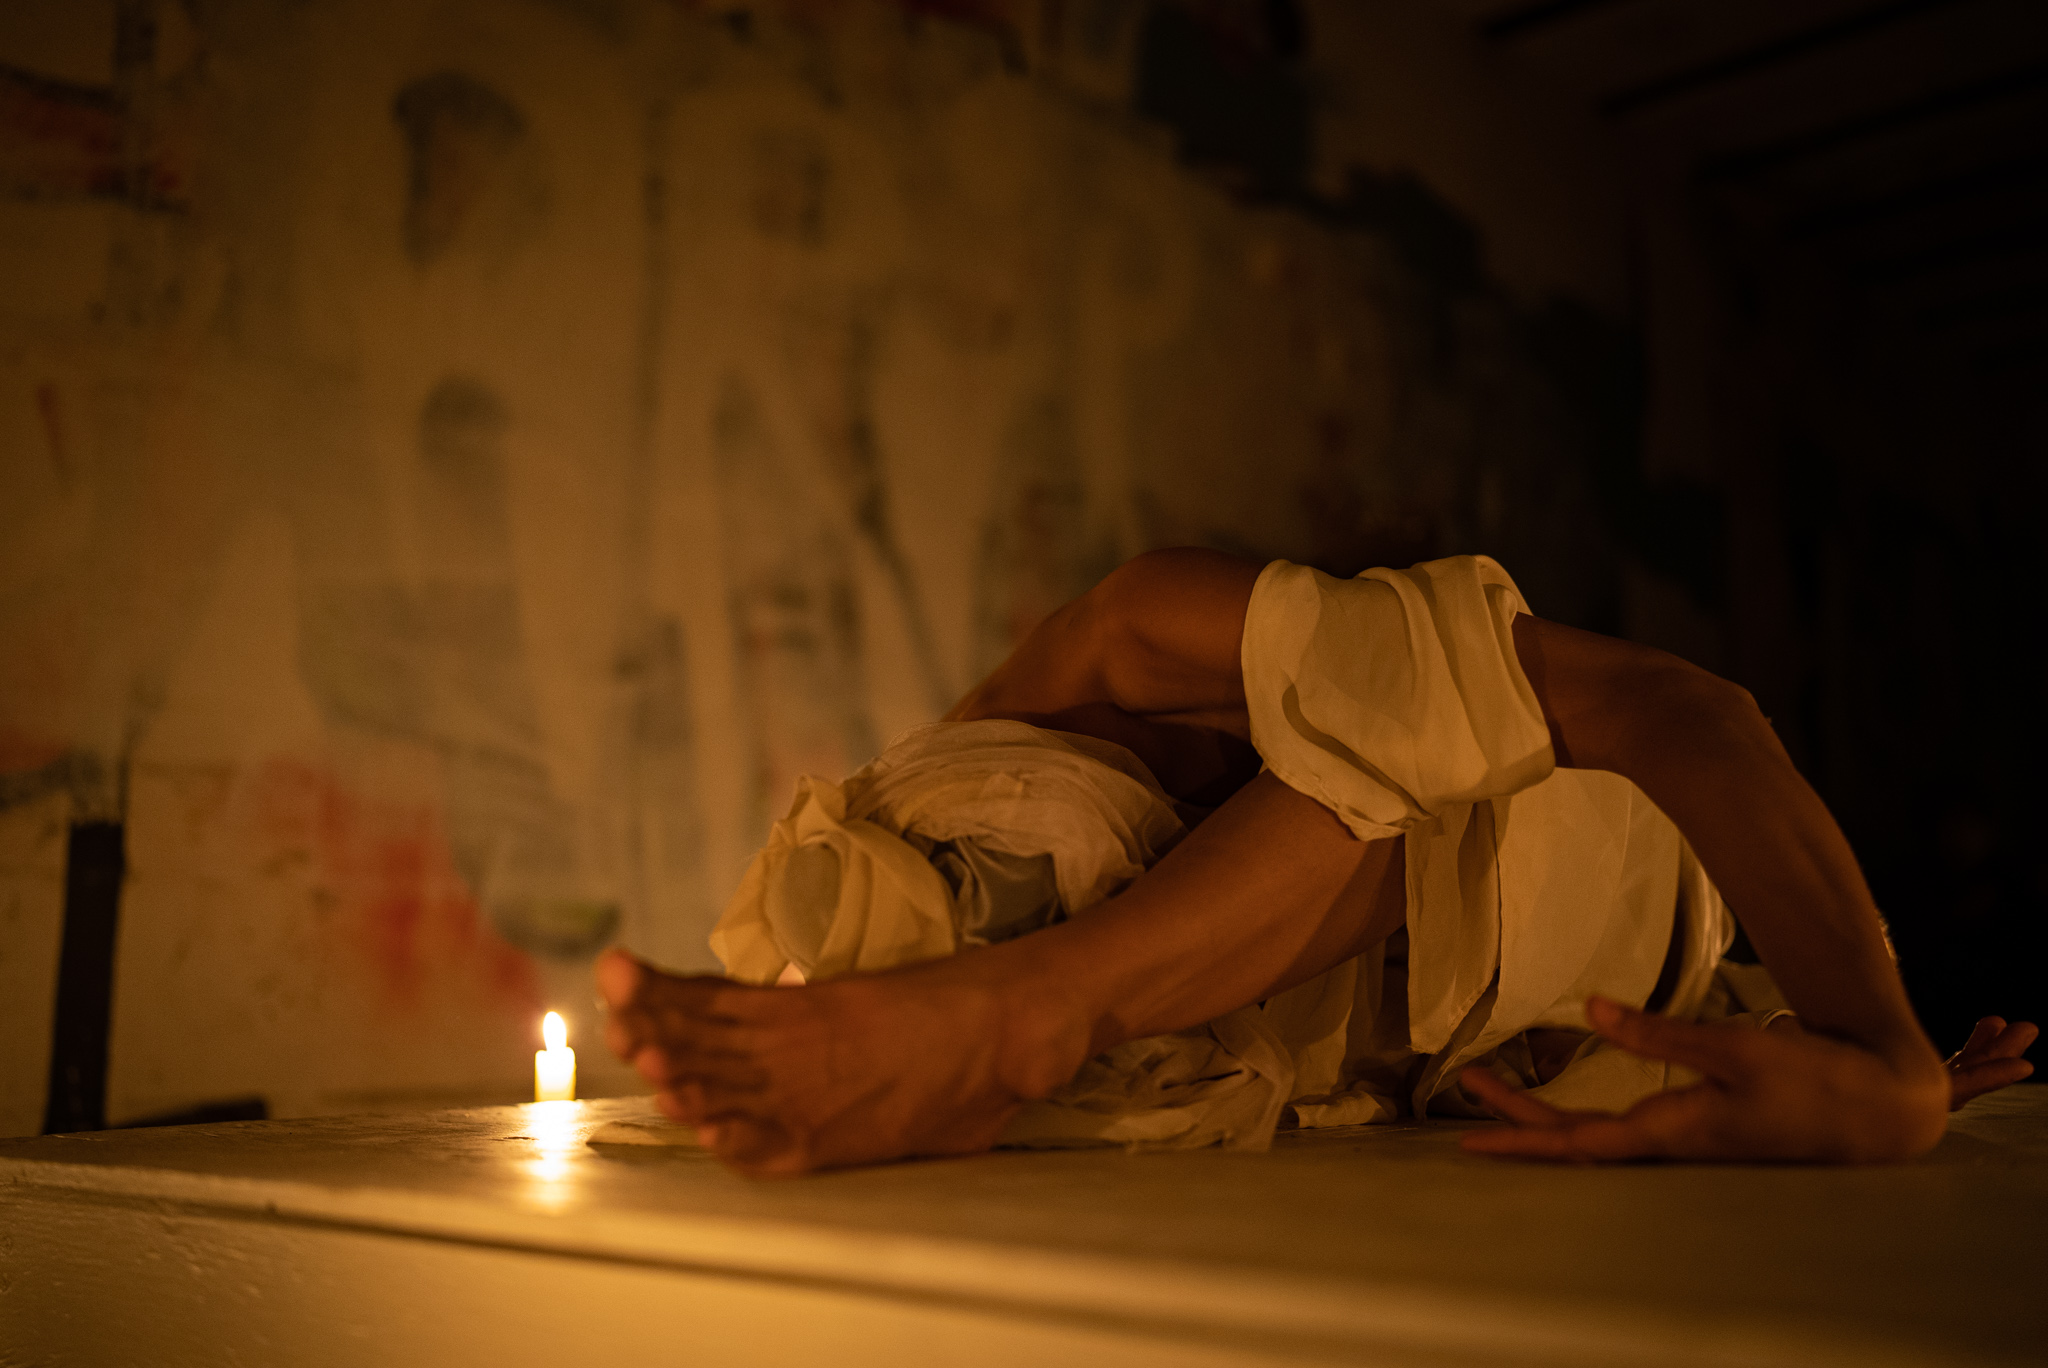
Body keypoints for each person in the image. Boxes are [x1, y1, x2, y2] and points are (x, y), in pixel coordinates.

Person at [597, 549, 2037, 1176]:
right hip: (1606, 1013)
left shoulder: (1151, 636)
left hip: (1693, 853)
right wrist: (1777, 1049)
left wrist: (1878, 1045)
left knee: (1406, 763)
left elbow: (1690, 715)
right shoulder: (1141, 1038)